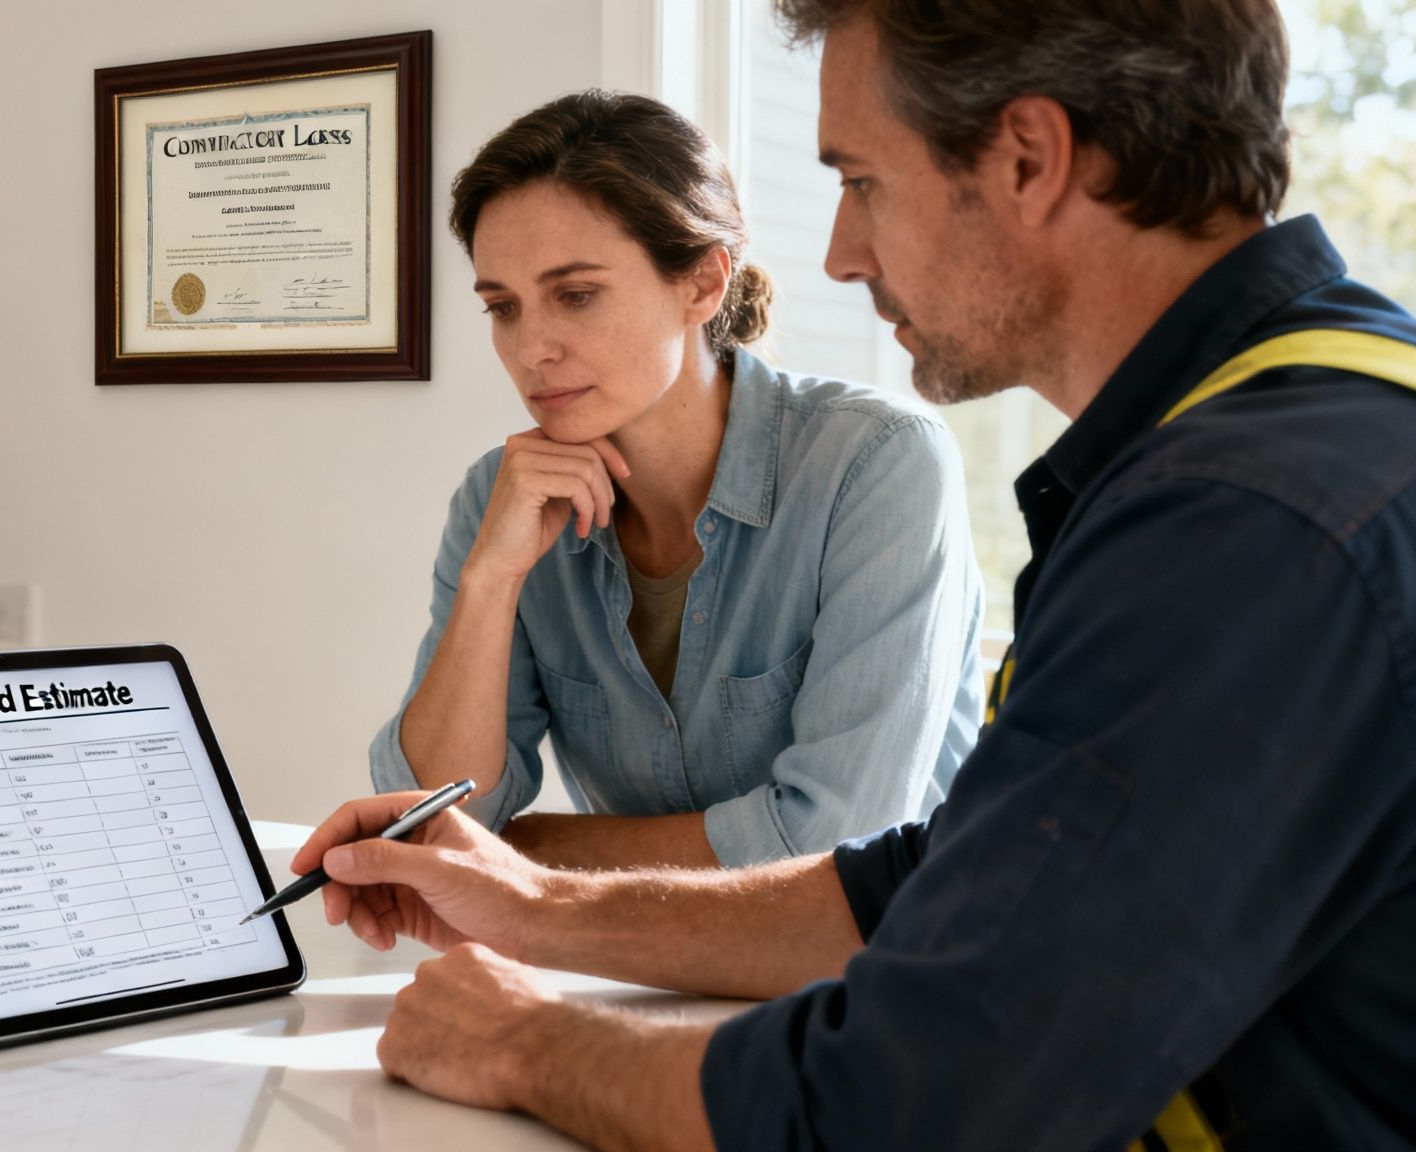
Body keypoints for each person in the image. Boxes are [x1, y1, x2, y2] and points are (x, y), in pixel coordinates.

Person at [304, 1, 1416, 1148]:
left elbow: (922, 1094)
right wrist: (531, 904)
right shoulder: (1284, 427)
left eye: (859, 179)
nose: (837, 251)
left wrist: (518, 1037)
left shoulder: (1247, 521)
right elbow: (939, 882)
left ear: (1028, 159)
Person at [369, 91, 984, 871]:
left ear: (702, 283)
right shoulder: (503, 497)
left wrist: (521, 850)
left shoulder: (878, 464)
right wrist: (492, 578)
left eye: (576, 295)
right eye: (503, 307)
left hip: (883, 975)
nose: (532, 349)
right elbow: (431, 820)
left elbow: (828, 845)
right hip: (642, 976)